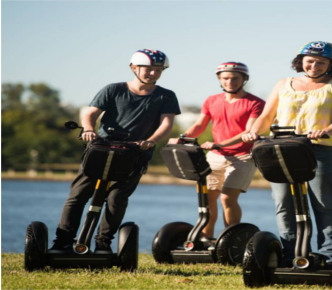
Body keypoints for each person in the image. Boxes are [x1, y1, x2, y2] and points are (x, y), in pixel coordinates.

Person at [49, 49, 181, 254]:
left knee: (116, 198)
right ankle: (62, 242)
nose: (153, 73)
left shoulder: (166, 96)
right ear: (133, 68)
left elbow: (166, 123)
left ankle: (103, 244)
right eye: (148, 69)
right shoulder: (113, 89)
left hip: (135, 153)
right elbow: (90, 114)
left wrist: (150, 141)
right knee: (78, 195)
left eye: (158, 70)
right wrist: (89, 130)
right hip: (102, 148)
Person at [242, 41, 332, 266]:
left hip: (323, 149)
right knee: (284, 203)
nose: (314, 66)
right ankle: (291, 254)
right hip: (283, 149)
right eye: (310, 61)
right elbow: (267, 116)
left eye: (321, 62)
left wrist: (325, 130)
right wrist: (253, 132)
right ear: (301, 60)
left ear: (331, 64)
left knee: (324, 203)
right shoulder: (284, 83)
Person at [178, 62, 265, 241]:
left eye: (235, 78)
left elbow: (248, 132)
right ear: (219, 79)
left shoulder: (255, 103)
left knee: (227, 198)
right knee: (207, 198)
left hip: (243, 157)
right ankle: (205, 239)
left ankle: (230, 240)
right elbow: (199, 125)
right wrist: (182, 137)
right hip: (215, 157)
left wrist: (220, 144)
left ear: (244, 79)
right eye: (225, 78)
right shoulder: (212, 100)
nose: (230, 81)